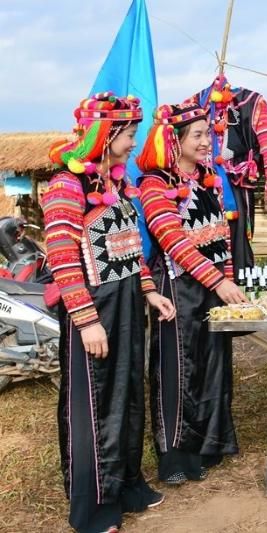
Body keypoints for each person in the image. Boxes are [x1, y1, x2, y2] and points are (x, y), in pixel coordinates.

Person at [44, 92, 176, 533]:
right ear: (107, 133)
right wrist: (85, 320)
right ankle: (94, 504)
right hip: (94, 305)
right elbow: (62, 256)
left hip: (125, 302)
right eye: (130, 133)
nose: (135, 141)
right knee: (96, 403)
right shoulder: (66, 185)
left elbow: (131, 248)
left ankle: (127, 485)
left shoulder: (115, 185)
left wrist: (149, 291)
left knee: (128, 392)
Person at [136, 102, 247, 487]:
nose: (206, 142)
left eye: (208, 134)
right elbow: (174, 242)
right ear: (175, 140)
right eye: (197, 136)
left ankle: (209, 443)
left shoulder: (208, 178)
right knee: (178, 369)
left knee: (213, 363)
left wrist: (227, 279)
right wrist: (219, 282)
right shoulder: (154, 184)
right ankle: (174, 455)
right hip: (177, 288)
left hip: (214, 287)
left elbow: (222, 238)